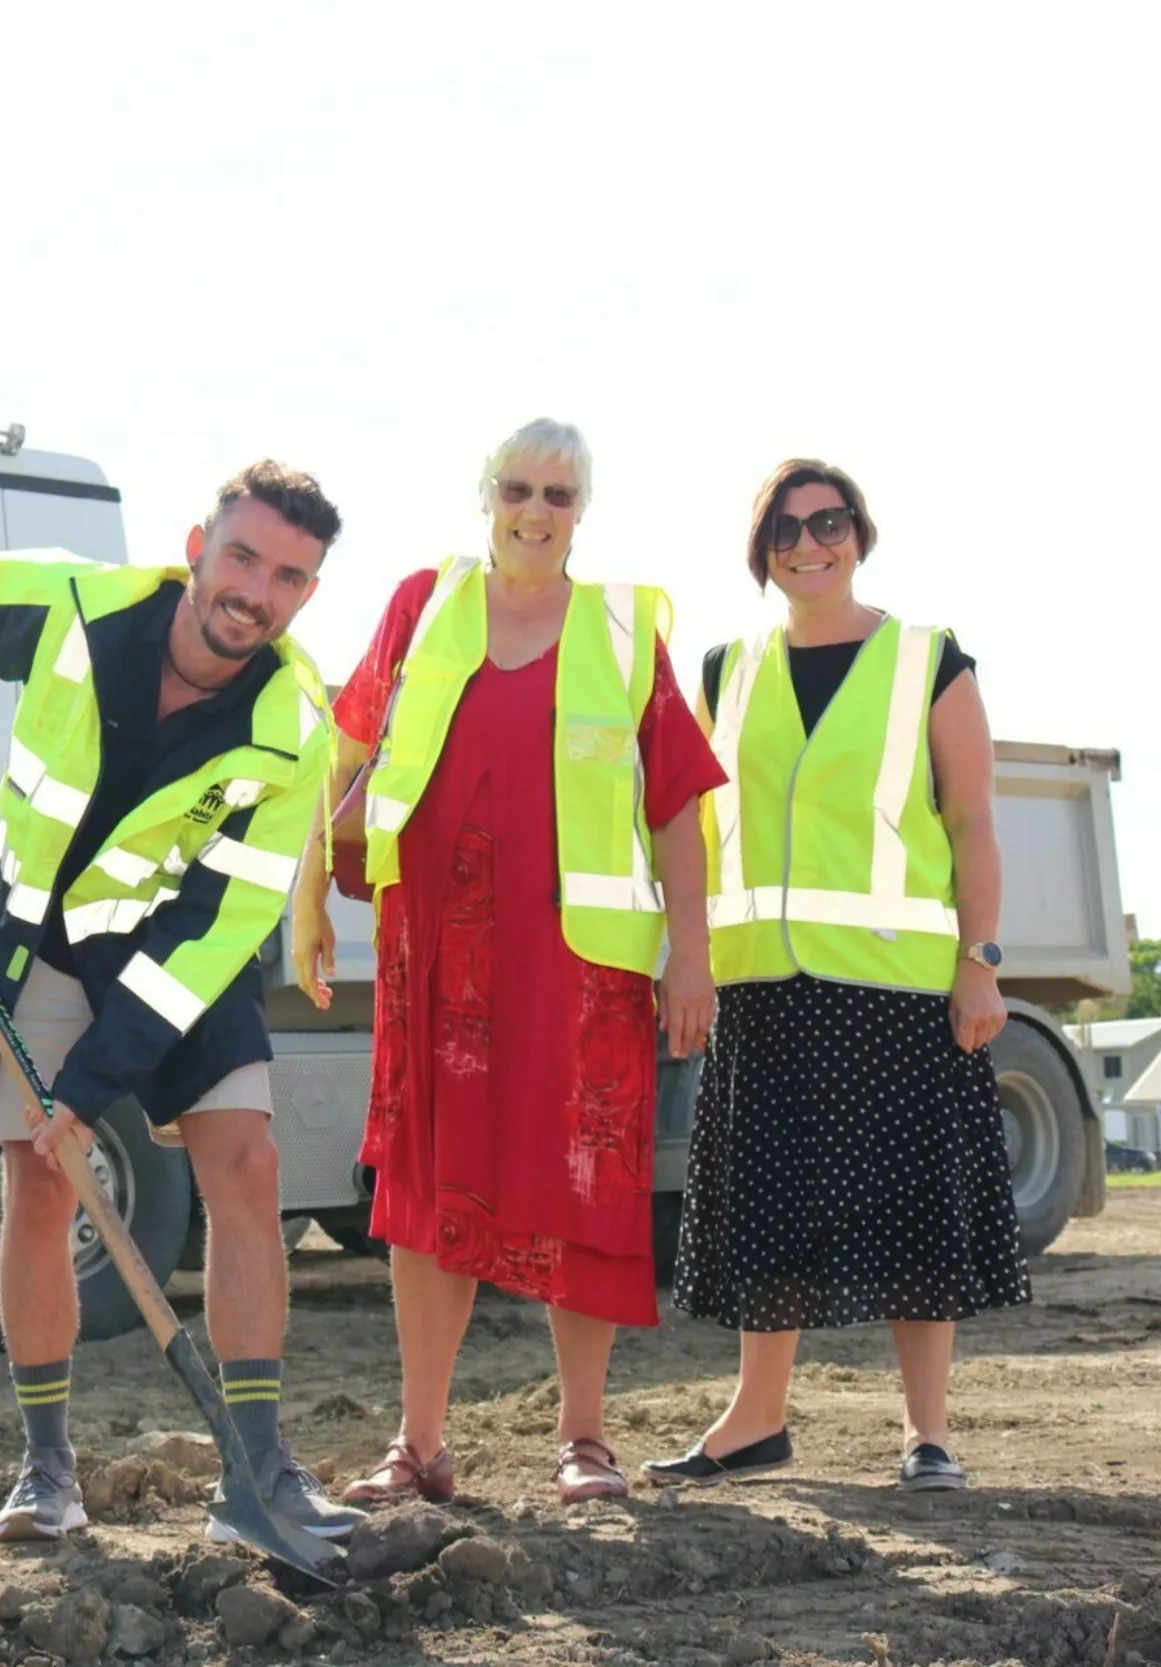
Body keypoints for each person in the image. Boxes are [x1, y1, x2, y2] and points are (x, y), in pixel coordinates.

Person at [0, 463, 367, 1548]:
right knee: (39, 1177)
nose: (254, 591)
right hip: (32, 925)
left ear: (306, 595)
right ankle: (45, 1469)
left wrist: (93, 1085)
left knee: (249, 1163)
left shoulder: (290, 728)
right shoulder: (72, 604)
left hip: (173, 948)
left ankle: (254, 1470)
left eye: (287, 576)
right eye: (241, 557)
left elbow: (214, 930)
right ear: (195, 544)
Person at [295, 419, 726, 1508]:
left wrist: (693, 956)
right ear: (486, 493)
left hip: (581, 966)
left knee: (584, 1186)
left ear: (585, 508)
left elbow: (675, 799)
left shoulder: (623, 632)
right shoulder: (420, 603)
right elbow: (344, 754)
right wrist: (308, 900)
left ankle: (583, 1436)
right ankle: (420, 1442)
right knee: (424, 1184)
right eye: (521, 488)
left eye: (561, 493)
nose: (538, 509)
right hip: (433, 953)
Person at [644, 458, 1027, 1495]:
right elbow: (681, 825)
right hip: (761, 988)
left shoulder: (925, 659)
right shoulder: (723, 669)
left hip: (899, 989)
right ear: (760, 549)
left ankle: (925, 1431)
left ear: (859, 532)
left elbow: (973, 822)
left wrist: (978, 963)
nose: (807, 542)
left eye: (828, 521)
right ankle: (755, 1420)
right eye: (784, 528)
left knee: (911, 1211)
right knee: (769, 1213)